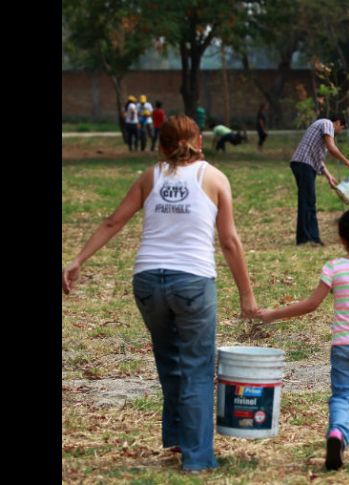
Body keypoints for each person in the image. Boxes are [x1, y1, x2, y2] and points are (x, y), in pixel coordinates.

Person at [62, 115, 260, 472]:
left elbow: (113, 221)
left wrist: (77, 259)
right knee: (197, 370)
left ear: (161, 144)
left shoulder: (150, 177)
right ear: (199, 139)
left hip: (148, 282)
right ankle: (198, 459)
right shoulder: (213, 177)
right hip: (193, 283)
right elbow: (229, 241)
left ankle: (178, 439)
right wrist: (247, 295)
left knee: (170, 362)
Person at [256, 208, 349, 471]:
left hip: (343, 345)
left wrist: (273, 314)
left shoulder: (334, 268)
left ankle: (337, 434)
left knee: (341, 396)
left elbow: (310, 305)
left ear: (343, 238)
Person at [290, 114, 349, 246]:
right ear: (337, 122)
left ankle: (309, 237)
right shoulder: (327, 124)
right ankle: (307, 238)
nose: (339, 131)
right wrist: (346, 161)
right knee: (308, 201)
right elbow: (332, 148)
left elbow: (318, 160)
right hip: (304, 164)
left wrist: (329, 176)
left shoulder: (322, 133)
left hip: (304, 164)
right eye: (341, 128)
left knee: (308, 201)